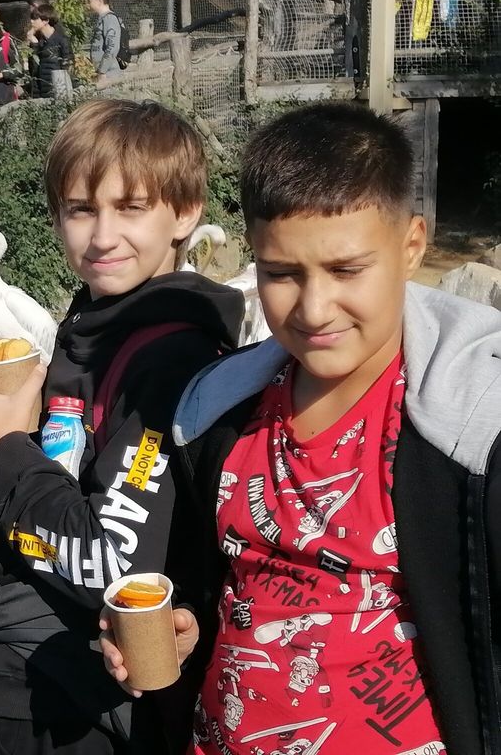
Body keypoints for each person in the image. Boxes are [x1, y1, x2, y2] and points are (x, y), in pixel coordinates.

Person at [103, 102, 501, 755]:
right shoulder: (218, 416)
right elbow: (210, 587)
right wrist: (183, 628)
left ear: (411, 246)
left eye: (345, 270)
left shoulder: (472, 434)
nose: (314, 310)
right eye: (281, 273)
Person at [0, 99, 245, 754]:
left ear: (185, 213)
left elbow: (111, 566)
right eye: (80, 209)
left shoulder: (170, 363)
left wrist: (3, 449)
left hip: (72, 709)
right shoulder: (88, 331)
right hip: (12, 675)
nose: (102, 236)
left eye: (131, 208)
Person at [29, 4, 73, 98]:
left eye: (35, 18)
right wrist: (34, 45)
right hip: (41, 92)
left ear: (45, 21)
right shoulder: (38, 41)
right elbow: (33, 71)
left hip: (58, 91)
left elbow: (68, 67)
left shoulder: (62, 41)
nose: (31, 21)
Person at [87, 0, 124, 79]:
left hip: (109, 74)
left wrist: (102, 71)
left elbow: (112, 47)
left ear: (99, 1)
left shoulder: (109, 19)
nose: (88, 4)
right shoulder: (102, 19)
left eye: (90, 1)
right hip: (103, 72)